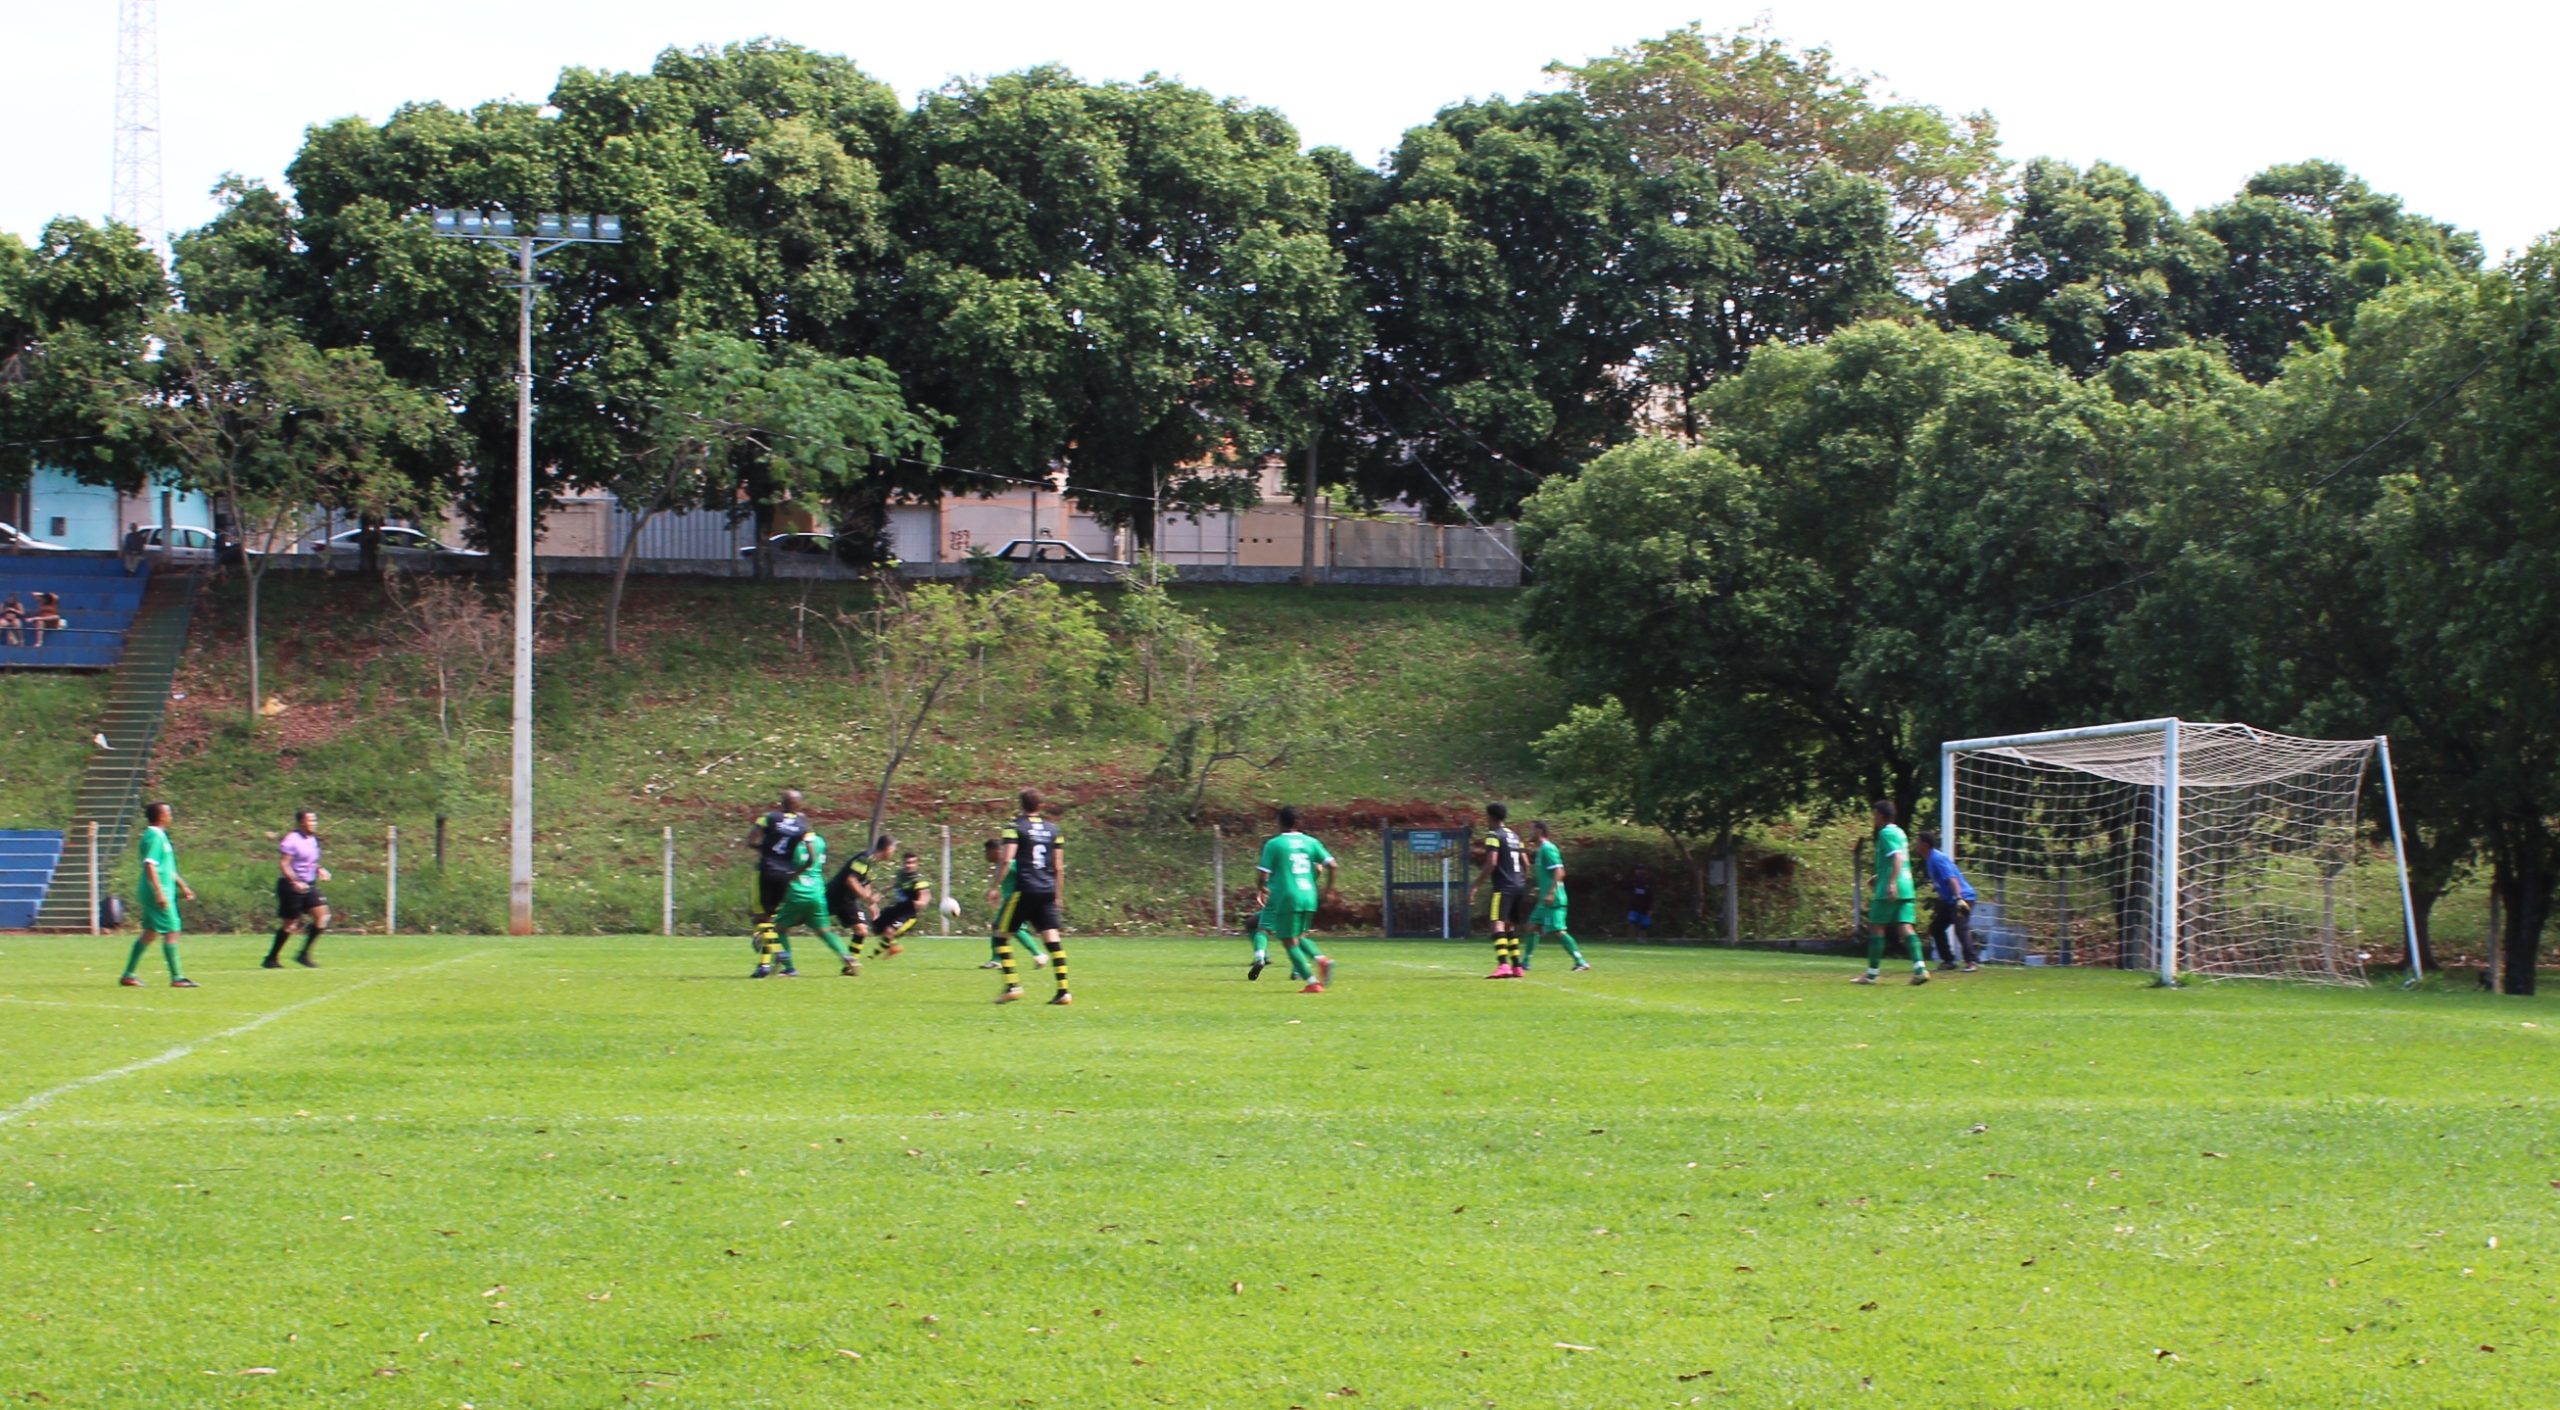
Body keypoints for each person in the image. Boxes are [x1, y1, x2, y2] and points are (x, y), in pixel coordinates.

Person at [986, 788, 1070, 1005]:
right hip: (1047, 889)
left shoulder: (1014, 828)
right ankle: (1064, 991)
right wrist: (1058, 895)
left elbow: (1006, 860)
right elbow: (1059, 867)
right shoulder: (1054, 830)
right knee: (1052, 938)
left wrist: (994, 887)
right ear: (1040, 805)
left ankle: (1012, 985)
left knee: (1000, 934)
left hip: (1024, 889)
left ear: (1021, 805)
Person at [1251, 805, 1337, 993]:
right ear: (1299, 822)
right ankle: (1320, 960)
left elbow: (1262, 874)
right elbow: (1332, 865)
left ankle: (1313, 981)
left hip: (1286, 896)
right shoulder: (1311, 842)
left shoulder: (1274, 844)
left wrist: (1261, 889)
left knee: (1288, 941)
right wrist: (1329, 890)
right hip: (1309, 894)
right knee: (1298, 936)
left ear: (1279, 822)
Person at [761, 827, 859, 978]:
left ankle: (788, 968)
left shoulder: (790, 845)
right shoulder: (820, 841)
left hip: (797, 893)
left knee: (778, 929)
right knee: (825, 931)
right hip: (817, 893)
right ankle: (847, 957)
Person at [123, 801, 198, 988]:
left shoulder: (159, 836)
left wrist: (182, 886)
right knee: (173, 930)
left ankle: (128, 975)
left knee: (150, 933)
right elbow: (150, 865)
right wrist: (159, 892)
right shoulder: (154, 837)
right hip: (158, 891)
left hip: (163, 889)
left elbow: (166, 867)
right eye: (168, 813)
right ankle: (177, 977)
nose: (170, 816)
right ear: (161, 816)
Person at [1857, 800, 1928, 985]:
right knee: (1905, 926)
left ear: (1880, 815)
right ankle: (1920, 969)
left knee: (1876, 926)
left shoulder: (1885, 833)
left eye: (1874, 814)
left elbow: (1896, 857)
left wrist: (1890, 883)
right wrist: (1880, 875)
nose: (1873, 818)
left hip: (1892, 886)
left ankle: (1871, 974)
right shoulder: (1900, 832)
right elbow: (1899, 859)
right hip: (1907, 885)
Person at [743, 789, 811, 971]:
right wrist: (795, 872)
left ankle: (779, 950)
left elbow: (750, 840)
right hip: (785, 874)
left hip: (766, 870)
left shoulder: (770, 817)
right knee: (770, 918)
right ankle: (764, 966)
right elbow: (811, 857)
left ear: (782, 803)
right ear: (799, 805)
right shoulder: (804, 824)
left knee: (760, 918)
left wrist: (764, 850)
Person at [1520, 820, 1590, 972]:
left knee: (1559, 931)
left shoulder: (1548, 848)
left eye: (1531, 830)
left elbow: (1560, 872)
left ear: (1539, 831)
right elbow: (1549, 875)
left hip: (1554, 899)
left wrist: (1551, 892)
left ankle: (1581, 961)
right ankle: (1525, 962)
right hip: (1543, 900)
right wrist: (1541, 889)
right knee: (1532, 927)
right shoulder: (1540, 851)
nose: (1529, 834)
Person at [1472, 803, 1531, 979]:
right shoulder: (1515, 836)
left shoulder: (1493, 835)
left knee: (1497, 923)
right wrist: (1521, 880)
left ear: (1490, 817)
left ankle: (1503, 964)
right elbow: (1526, 863)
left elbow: (1492, 862)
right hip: (1518, 884)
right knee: (1509, 925)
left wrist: (1475, 885)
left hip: (1503, 886)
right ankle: (1517, 966)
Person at [267, 809, 332, 968]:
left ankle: (303, 954)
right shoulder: (291, 839)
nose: (314, 824)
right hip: (291, 886)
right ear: (302, 822)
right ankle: (271, 958)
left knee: (322, 917)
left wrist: (319, 869)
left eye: (315, 820)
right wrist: (294, 881)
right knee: (290, 925)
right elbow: (284, 863)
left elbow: (310, 861)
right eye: (311, 821)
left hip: (309, 885)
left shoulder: (313, 839)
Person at [1915, 830, 1980, 972]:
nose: (1915, 844)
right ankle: (1948, 961)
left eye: (1917, 842)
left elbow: (1952, 879)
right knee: (1936, 928)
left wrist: (1959, 899)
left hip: (1963, 897)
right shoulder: (1929, 859)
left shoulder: (1937, 858)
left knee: (1960, 928)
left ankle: (1971, 962)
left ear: (1925, 844)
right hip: (1949, 901)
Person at [977, 834, 1045, 970]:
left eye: (987, 851)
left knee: (1011, 928)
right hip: (1012, 900)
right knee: (999, 926)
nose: (985, 855)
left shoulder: (1011, 864)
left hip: (1018, 900)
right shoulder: (1001, 865)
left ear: (996, 851)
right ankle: (997, 960)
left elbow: (1028, 875)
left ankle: (1038, 955)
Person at [828, 834, 895, 956]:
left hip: (847, 900)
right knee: (804, 919)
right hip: (835, 896)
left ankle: (851, 964)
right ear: (888, 849)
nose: (893, 853)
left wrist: (872, 905)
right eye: (893, 850)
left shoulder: (873, 864)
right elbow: (851, 879)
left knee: (862, 931)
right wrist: (866, 897)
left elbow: (866, 883)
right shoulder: (865, 859)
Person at [867, 853, 931, 958]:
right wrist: (879, 894)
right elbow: (894, 884)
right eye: (907, 862)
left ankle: (874, 955)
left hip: (908, 913)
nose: (909, 865)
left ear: (916, 864)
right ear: (903, 863)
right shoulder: (900, 875)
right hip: (898, 908)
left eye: (912, 863)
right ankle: (893, 948)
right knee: (876, 926)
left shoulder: (918, 880)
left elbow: (925, 895)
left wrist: (921, 902)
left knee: (889, 931)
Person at [1625, 865, 1655, 933]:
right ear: (1635, 871)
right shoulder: (1632, 881)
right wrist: (1619, 880)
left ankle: (1641, 941)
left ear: (1645, 871)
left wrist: (1650, 909)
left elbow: (1651, 897)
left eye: (1641, 869)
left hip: (1645, 908)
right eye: (1638, 869)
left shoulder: (1648, 882)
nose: (1639, 871)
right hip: (1633, 907)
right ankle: (1631, 941)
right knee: (1632, 922)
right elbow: (1624, 887)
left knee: (1644, 926)